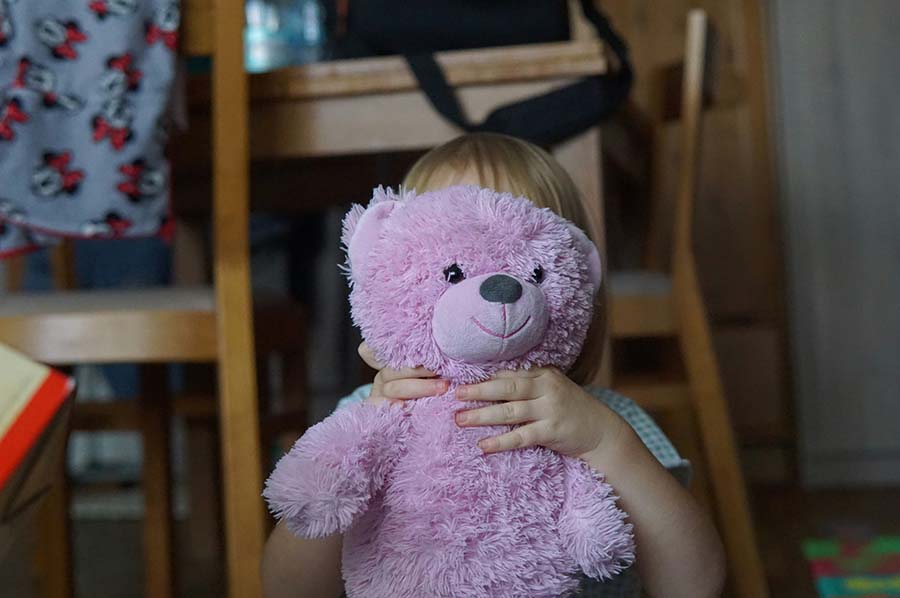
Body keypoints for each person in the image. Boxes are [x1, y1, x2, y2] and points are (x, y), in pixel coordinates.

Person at [262, 133, 725, 598]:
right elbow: (287, 588)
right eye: (455, 266)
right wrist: (361, 436)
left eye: (519, 260)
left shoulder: (605, 421)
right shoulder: (368, 412)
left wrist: (606, 444)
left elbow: (695, 584)